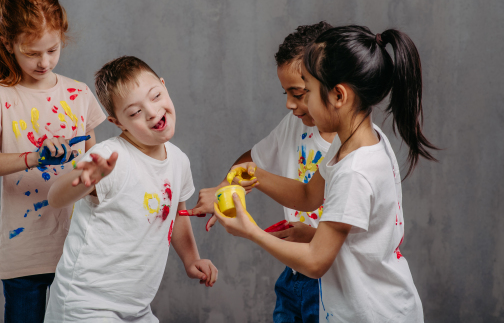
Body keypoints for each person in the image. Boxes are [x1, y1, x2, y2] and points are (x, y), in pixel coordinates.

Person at [214, 25, 437, 322]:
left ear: (338, 96)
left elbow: (316, 262)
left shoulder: (355, 171)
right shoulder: (351, 145)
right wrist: (256, 174)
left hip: (374, 314)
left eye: (306, 87)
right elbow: (308, 196)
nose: (296, 103)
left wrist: (251, 232)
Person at [0, 0, 107, 323]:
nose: (44, 62)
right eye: (32, 53)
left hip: (78, 252)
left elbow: (99, 169)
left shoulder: (80, 94)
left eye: (53, 50)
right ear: (8, 44)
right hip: (25, 255)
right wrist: (33, 157)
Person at [44, 56, 218, 322]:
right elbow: (55, 197)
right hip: (86, 304)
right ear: (118, 123)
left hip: (135, 308)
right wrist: (84, 180)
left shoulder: (179, 161)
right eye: (135, 112)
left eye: (156, 95)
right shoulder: (110, 157)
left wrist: (191, 259)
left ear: (164, 86)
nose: (151, 112)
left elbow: (175, 214)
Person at [187, 22, 335, 322]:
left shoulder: (353, 150)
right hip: (295, 274)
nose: (289, 103)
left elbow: (365, 240)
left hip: (334, 281)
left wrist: (314, 236)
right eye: (286, 92)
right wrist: (226, 190)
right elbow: (252, 163)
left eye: (298, 92)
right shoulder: (294, 125)